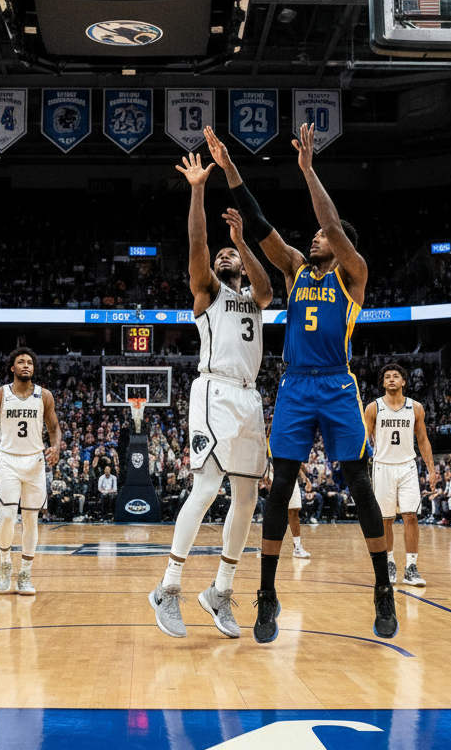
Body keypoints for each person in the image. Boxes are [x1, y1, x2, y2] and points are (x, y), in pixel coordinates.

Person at [204, 123, 397, 643]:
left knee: (357, 483)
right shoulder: (293, 270)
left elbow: (331, 224)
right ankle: (267, 593)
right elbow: (261, 221)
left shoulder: (351, 273)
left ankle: (383, 587)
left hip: (336, 387)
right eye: (311, 236)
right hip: (294, 387)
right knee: (281, 487)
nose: (312, 239)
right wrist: (228, 168)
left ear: (339, 247)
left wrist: (309, 170)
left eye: (320, 237)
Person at [149, 152, 272, 640]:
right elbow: (198, 241)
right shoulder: (208, 292)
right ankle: (169, 586)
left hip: (249, 397)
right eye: (222, 256)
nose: (224, 256)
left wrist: (245, 242)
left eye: (231, 256)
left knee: (246, 499)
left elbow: (266, 290)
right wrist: (199, 188)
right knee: (206, 487)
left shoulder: (253, 296)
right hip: (213, 389)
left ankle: (220, 591)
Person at [0, 347, 60, 596]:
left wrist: (56, 447)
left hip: (35, 462)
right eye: (20, 362)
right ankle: (5, 563)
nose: (26, 365)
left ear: (34, 368)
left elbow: (54, 428)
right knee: (8, 515)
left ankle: (25, 574)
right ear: (12, 367)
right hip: (8, 460)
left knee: (31, 519)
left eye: (30, 362)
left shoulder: (45, 396)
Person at [365, 363, 435, 587]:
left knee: (410, 516)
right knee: (386, 519)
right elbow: (365, 440)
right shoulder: (373, 408)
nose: (391, 379)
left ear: (404, 382)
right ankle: (389, 562)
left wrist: (432, 470)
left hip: (407, 466)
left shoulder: (416, 408)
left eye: (396, 376)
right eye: (387, 377)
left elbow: (423, 440)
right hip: (382, 465)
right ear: (383, 383)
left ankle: (412, 567)